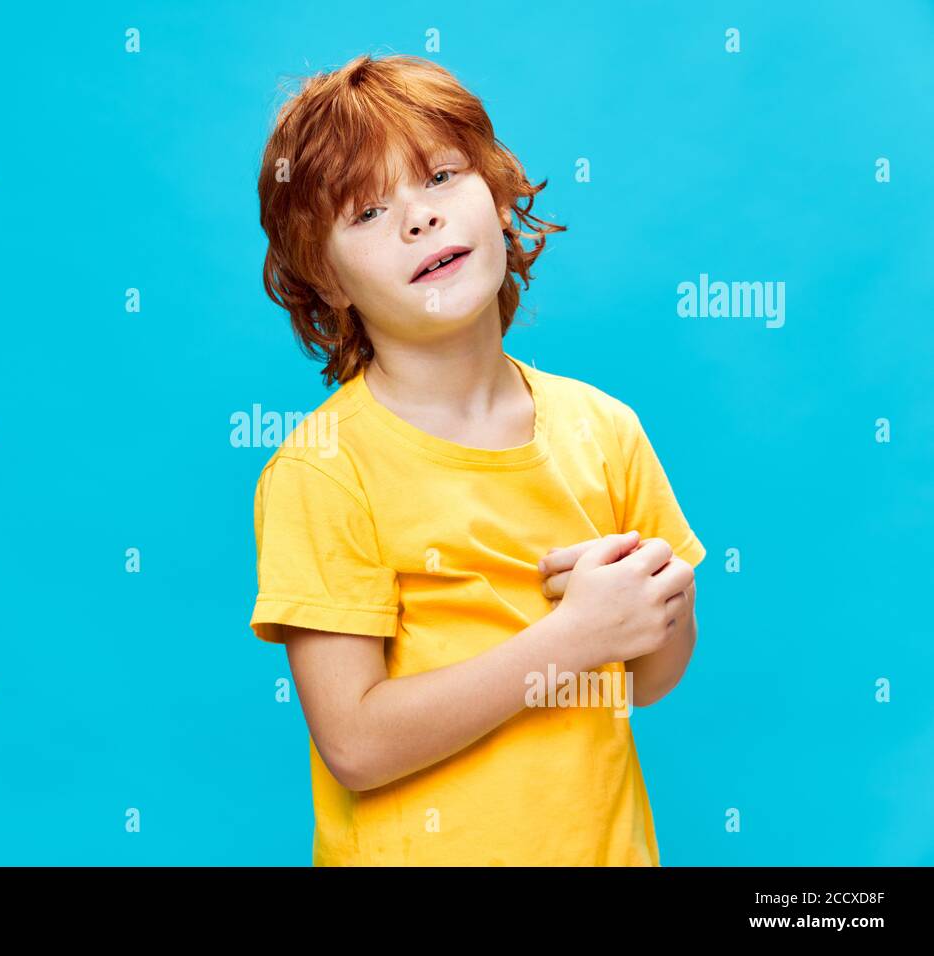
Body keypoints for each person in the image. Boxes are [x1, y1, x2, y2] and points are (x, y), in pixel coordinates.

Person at [249, 52, 706, 866]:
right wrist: (572, 636)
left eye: (442, 177)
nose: (418, 219)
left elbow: (644, 677)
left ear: (498, 195)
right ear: (328, 282)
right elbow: (353, 741)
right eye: (366, 213)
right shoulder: (324, 468)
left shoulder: (605, 430)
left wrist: (654, 605)